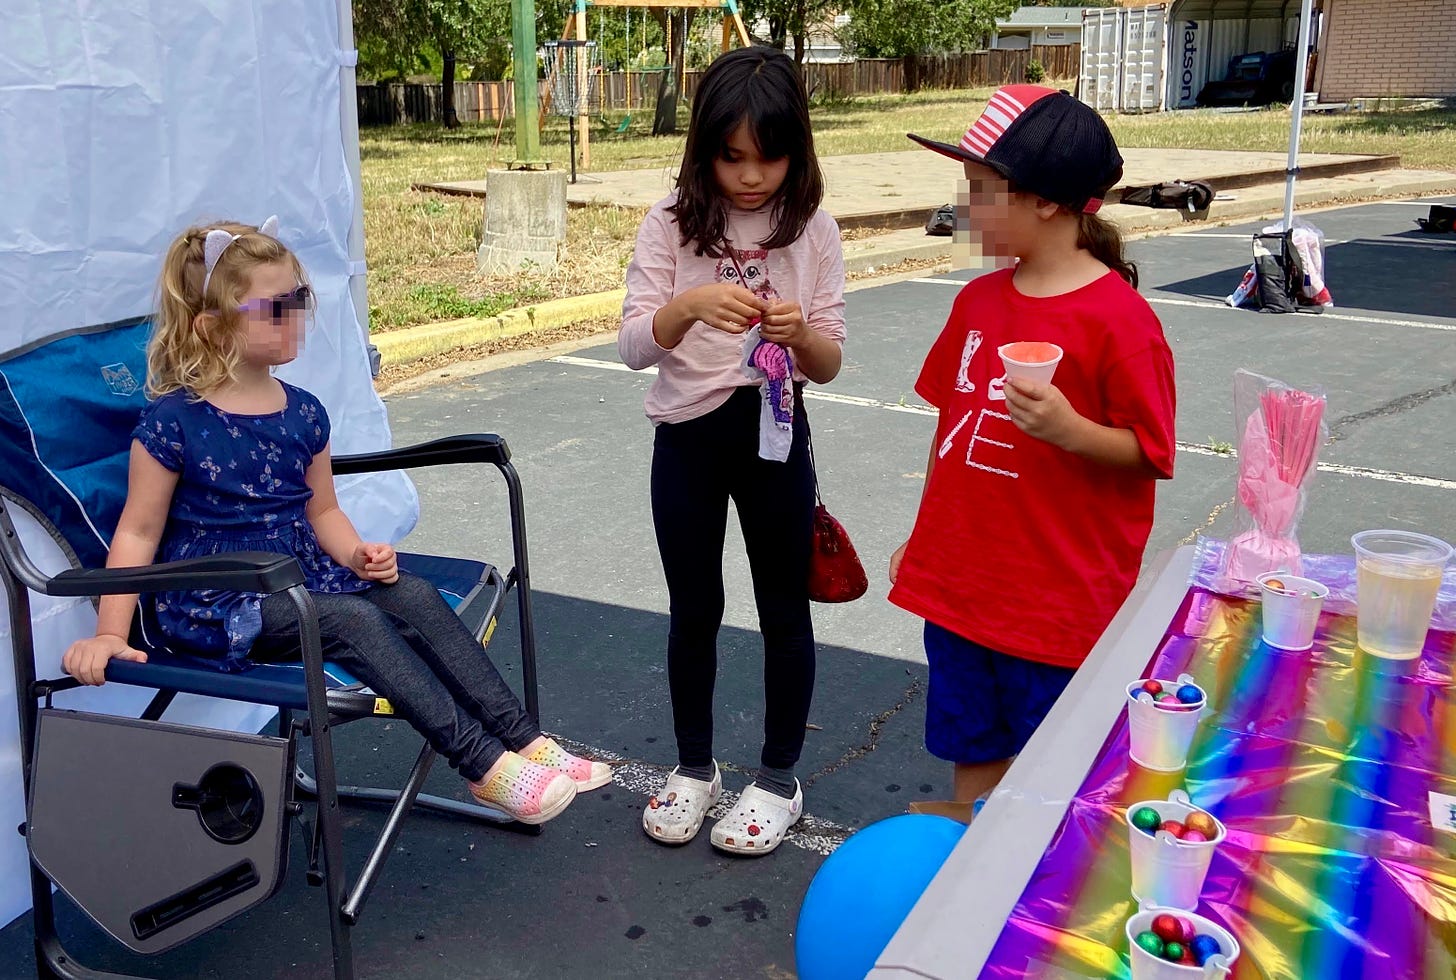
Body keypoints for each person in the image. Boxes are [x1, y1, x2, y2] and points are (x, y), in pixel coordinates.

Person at [61, 217, 612, 825]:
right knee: (354, 618)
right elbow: (136, 531)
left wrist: (355, 555)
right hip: (222, 598)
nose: (295, 315)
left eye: (299, 298)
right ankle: (483, 765)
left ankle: (525, 740)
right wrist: (112, 632)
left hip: (305, 575)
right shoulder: (175, 422)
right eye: (275, 306)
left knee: (414, 595)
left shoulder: (304, 413)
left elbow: (322, 509)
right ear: (212, 327)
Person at [891, 86, 1177, 812]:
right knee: (973, 764)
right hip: (961, 594)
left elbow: (1151, 451)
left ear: (1047, 202)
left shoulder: (1121, 321)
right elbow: (949, 429)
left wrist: (1071, 431)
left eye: (982, 190)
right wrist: (924, 540)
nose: (966, 206)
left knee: (1055, 790)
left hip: (1056, 608)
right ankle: (968, 906)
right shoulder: (978, 304)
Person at [618, 46, 846, 856]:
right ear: (705, 149)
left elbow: (831, 359)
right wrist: (686, 306)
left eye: (770, 156)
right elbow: (635, 346)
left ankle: (778, 776)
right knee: (695, 607)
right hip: (686, 436)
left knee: (784, 608)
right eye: (731, 156)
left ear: (798, 150)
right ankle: (693, 767)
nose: (751, 177)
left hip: (774, 433)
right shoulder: (672, 221)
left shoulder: (812, 226)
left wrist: (801, 335)